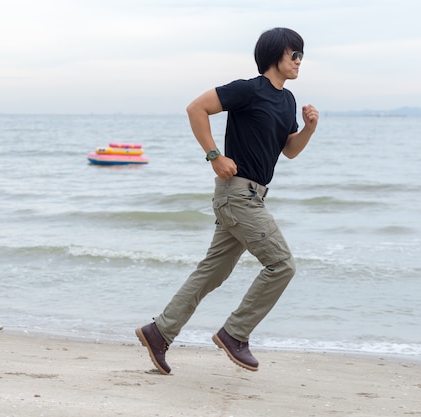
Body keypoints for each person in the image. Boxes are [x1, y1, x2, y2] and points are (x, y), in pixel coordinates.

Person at [136, 27, 319, 375]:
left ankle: (158, 332)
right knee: (282, 265)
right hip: (238, 195)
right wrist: (214, 156)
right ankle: (235, 334)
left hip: (253, 197)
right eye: (294, 54)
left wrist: (308, 129)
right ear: (275, 55)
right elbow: (196, 108)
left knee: (212, 273)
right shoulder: (248, 90)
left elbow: (290, 151)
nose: (299, 61)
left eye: (301, 56)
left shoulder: (287, 100)